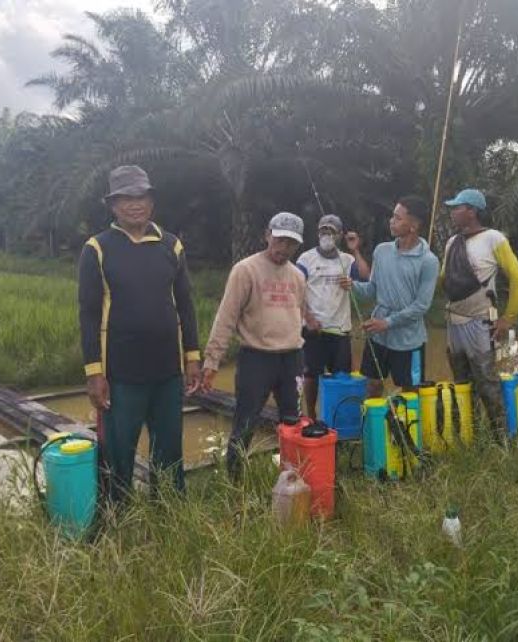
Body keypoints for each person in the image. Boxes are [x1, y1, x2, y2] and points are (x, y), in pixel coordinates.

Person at [78, 165, 200, 502]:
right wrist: (94, 373)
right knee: (118, 453)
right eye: (126, 198)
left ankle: (170, 513)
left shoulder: (171, 246)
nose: (135, 204)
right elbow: (88, 315)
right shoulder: (98, 248)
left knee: (169, 450)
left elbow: (186, 305)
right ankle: (117, 518)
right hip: (120, 374)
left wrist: (192, 357)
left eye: (141, 196)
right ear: (113, 205)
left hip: (167, 372)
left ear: (152, 201)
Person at [199, 212, 307, 479]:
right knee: (245, 422)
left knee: (292, 421)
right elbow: (226, 317)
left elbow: (299, 314)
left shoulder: (297, 275)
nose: (284, 248)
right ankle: (235, 479)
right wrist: (212, 362)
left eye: (291, 243)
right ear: (267, 235)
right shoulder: (245, 270)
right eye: (279, 240)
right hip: (256, 358)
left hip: (292, 358)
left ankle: (292, 476)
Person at [441, 188, 518, 440]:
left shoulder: (493, 238)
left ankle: (501, 437)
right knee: (462, 383)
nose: (453, 212)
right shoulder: (451, 242)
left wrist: (508, 318)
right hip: (453, 320)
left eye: (458, 207)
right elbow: (444, 279)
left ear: (472, 211)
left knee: (487, 382)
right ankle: (471, 435)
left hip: (481, 321)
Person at [340, 196, 439, 398]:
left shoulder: (428, 261)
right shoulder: (382, 251)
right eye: (392, 216)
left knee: (410, 391)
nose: (391, 221)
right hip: (378, 335)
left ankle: (408, 429)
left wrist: (388, 322)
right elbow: (373, 289)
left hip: (409, 339)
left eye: (398, 217)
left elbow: (421, 306)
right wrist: (353, 286)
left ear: (413, 225)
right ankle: (372, 428)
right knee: (373, 385)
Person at [296, 214, 371, 417]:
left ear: (340, 235)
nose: (326, 235)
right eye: (323, 230)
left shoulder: (347, 260)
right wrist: (308, 317)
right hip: (313, 328)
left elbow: (365, 276)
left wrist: (355, 249)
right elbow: (295, 289)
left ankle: (337, 416)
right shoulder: (306, 258)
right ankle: (311, 414)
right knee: (311, 375)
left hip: (340, 329)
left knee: (342, 376)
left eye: (331, 231)